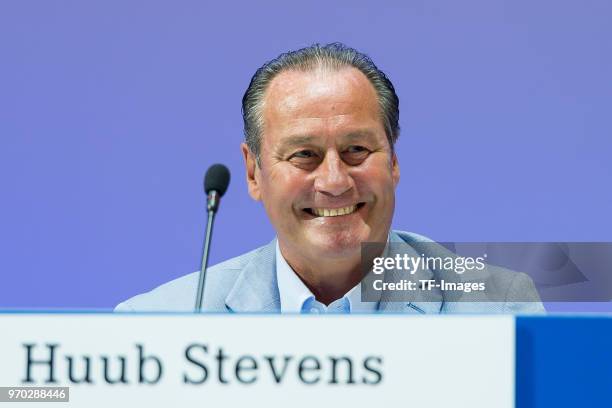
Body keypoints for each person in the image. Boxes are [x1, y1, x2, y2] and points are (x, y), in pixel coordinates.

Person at [116, 43, 544, 314]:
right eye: (305, 155)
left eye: (357, 150)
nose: (335, 181)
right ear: (253, 173)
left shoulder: (496, 306)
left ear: (393, 161)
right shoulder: (165, 321)